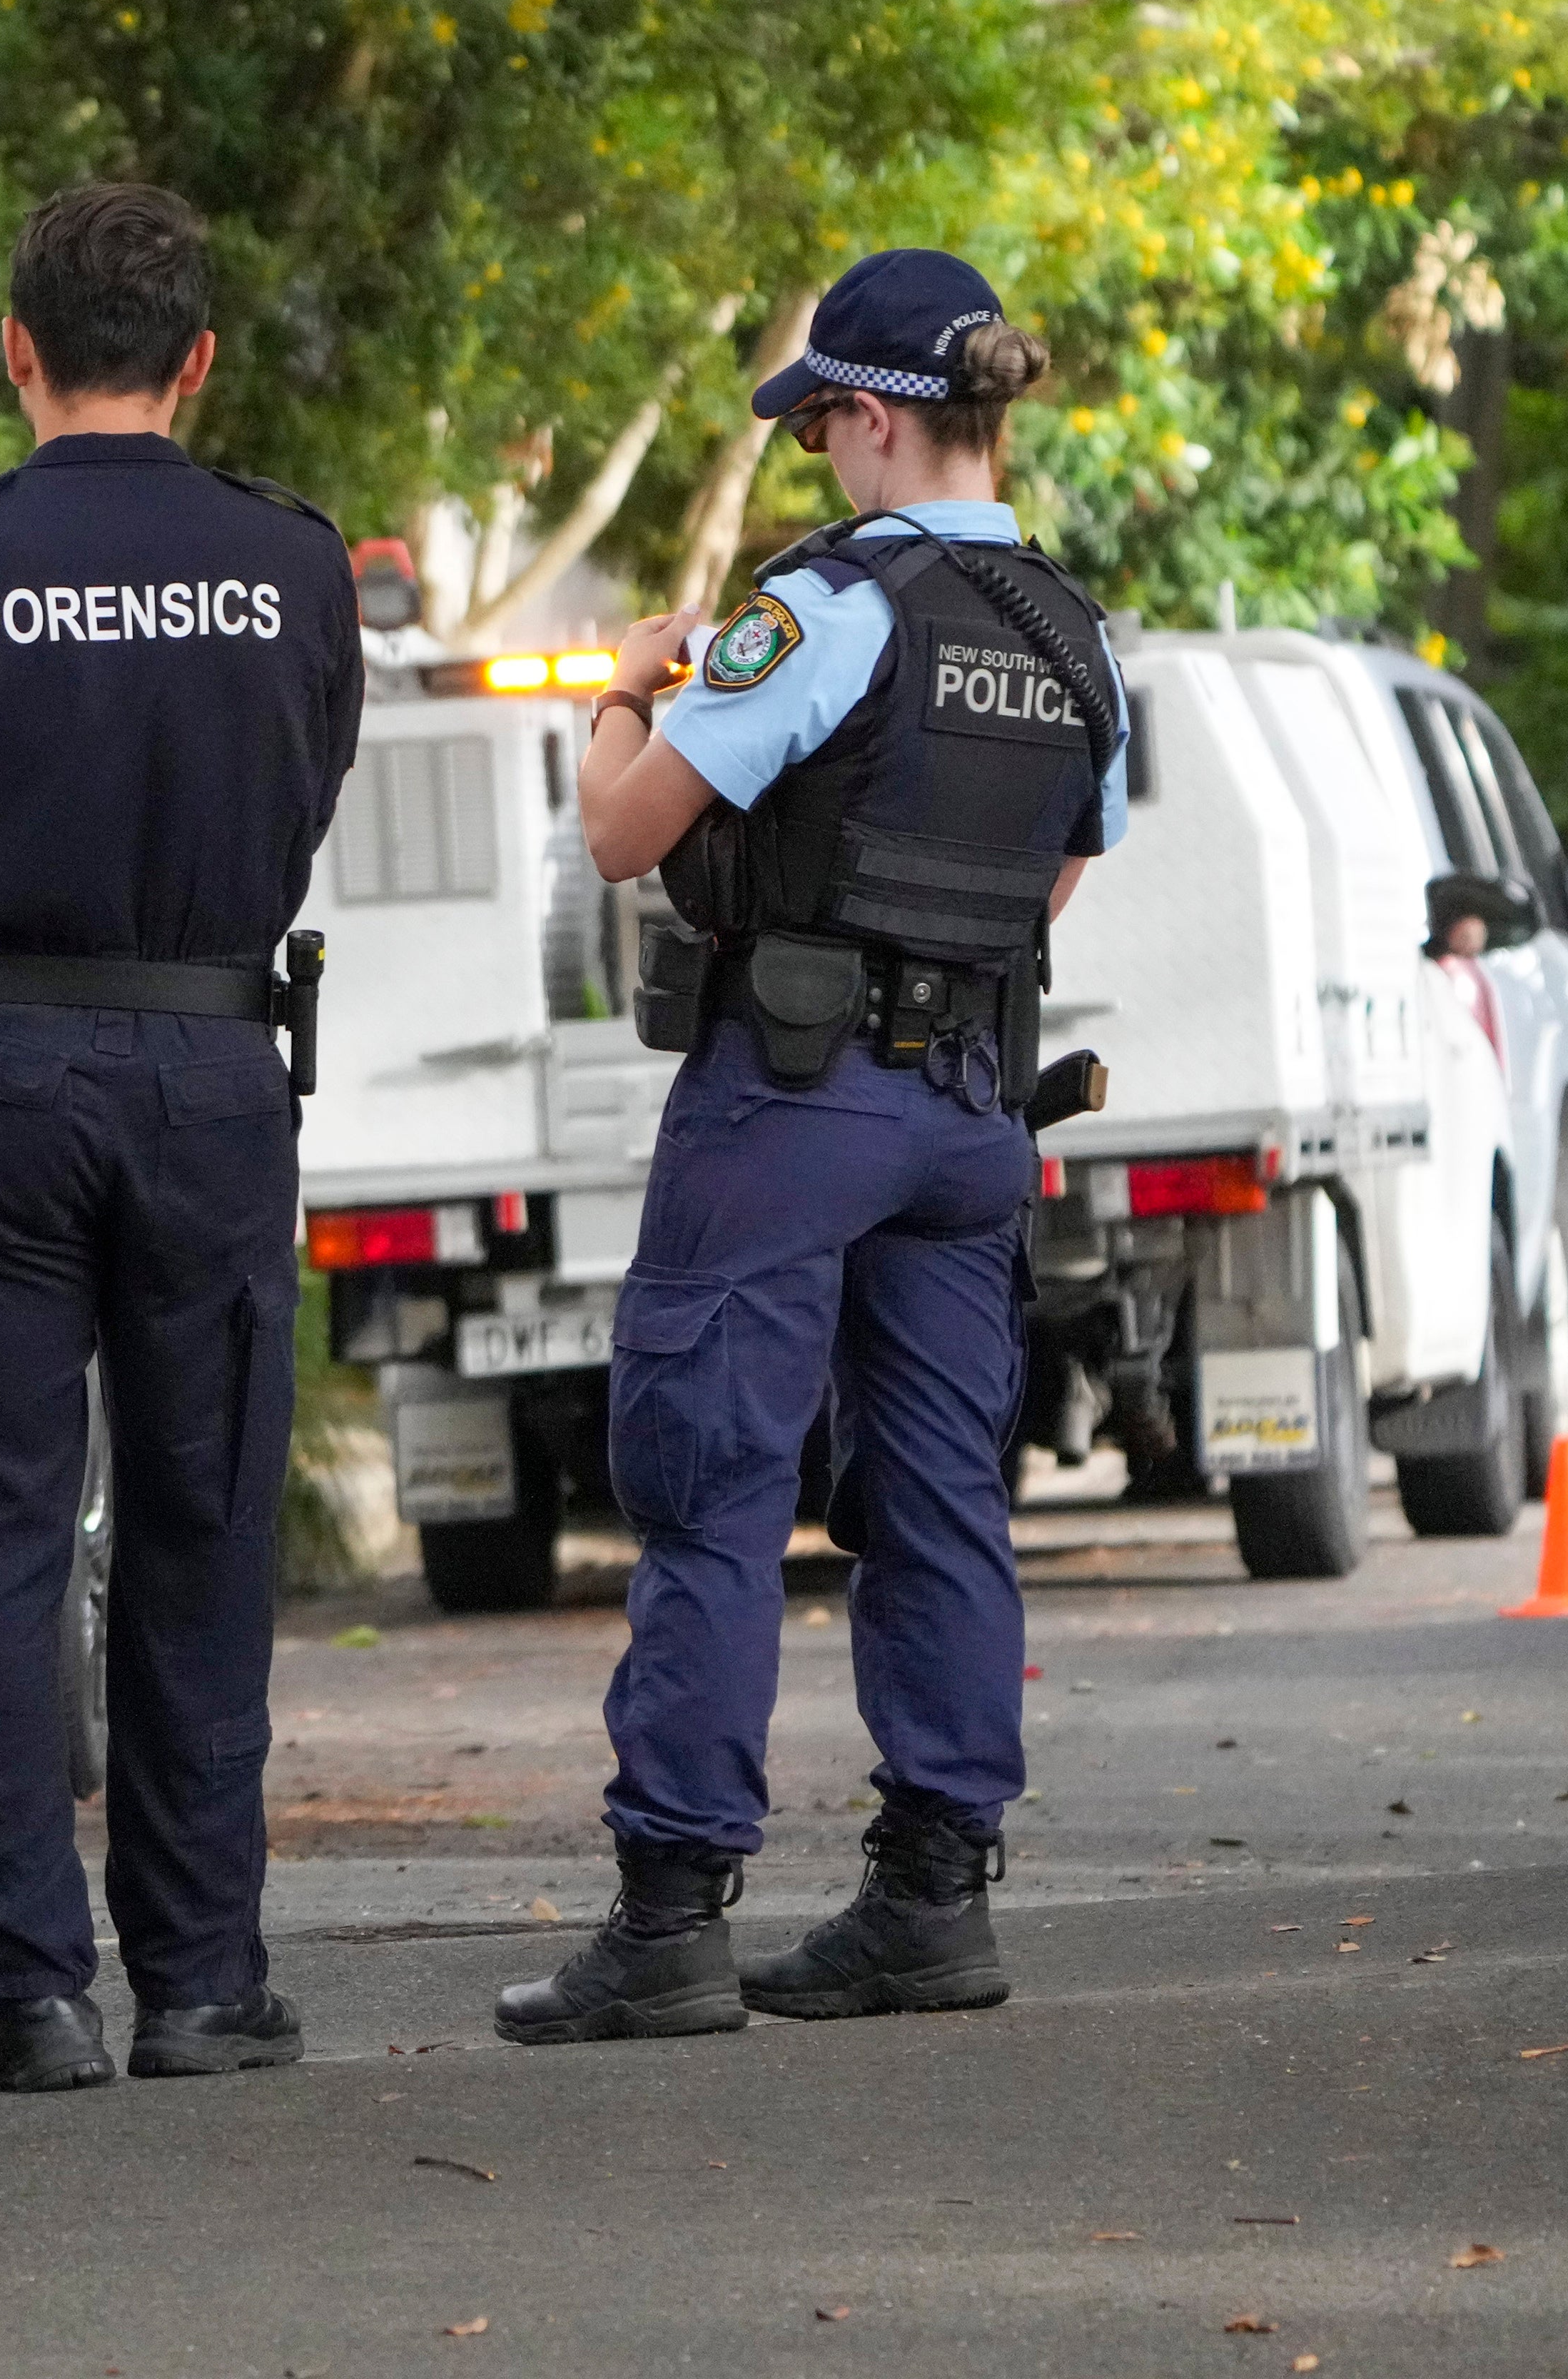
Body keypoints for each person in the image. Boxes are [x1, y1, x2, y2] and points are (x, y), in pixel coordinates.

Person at [499, 247, 1126, 2045]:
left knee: (707, 1480)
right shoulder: (1079, 640)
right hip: (969, 1117)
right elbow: (1051, 883)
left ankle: (670, 1914)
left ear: (868, 418)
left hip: (795, 1095)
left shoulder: (823, 609)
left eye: (820, 432)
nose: (817, 467)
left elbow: (628, 836)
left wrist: (622, 692)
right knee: (939, 1489)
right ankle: (934, 1896)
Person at [0, 183, 363, 2094]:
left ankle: (30, 1989)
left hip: (10, 1069)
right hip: (216, 1070)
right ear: (201, 359)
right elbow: (305, 792)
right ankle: (205, 1981)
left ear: (16, 352)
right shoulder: (290, 565)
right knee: (205, 1517)